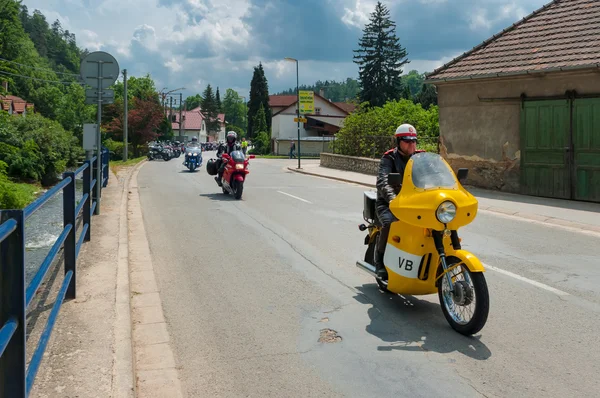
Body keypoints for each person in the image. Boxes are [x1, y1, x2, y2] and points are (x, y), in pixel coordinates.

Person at [374, 123, 421, 279]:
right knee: (390, 224)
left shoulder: (420, 158)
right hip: (389, 203)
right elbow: (383, 181)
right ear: (398, 142)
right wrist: (392, 198)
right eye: (407, 141)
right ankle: (380, 261)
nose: (411, 144)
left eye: (413, 141)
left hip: (414, 203)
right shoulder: (389, 158)